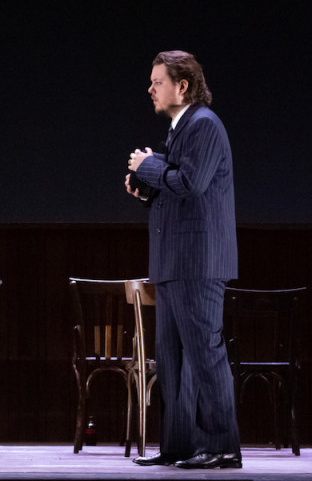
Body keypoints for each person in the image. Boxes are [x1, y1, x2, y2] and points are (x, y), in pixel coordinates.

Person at [125, 51, 241, 469]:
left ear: (183, 86)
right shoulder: (181, 129)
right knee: (172, 360)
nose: (151, 89)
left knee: (205, 357)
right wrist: (147, 189)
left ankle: (223, 447)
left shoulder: (204, 125)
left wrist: (149, 164)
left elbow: (192, 183)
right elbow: (181, 190)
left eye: (157, 81)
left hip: (198, 263)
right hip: (174, 263)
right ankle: (180, 445)